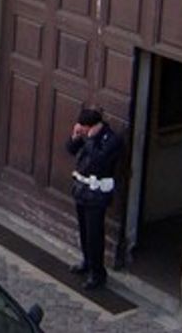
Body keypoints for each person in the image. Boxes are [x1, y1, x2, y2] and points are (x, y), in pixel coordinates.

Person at [67, 107, 125, 290]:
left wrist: (91, 140)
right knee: (84, 230)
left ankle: (97, 272)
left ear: (93, 126)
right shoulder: (86, 136)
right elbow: (70, 150)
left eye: (84, 127)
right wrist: (75, 137)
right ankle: (87, 261)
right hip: (82, 190)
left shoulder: (110, 140)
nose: (82, 130)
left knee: (94, 234)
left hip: (97, 194)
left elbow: (99, 162)